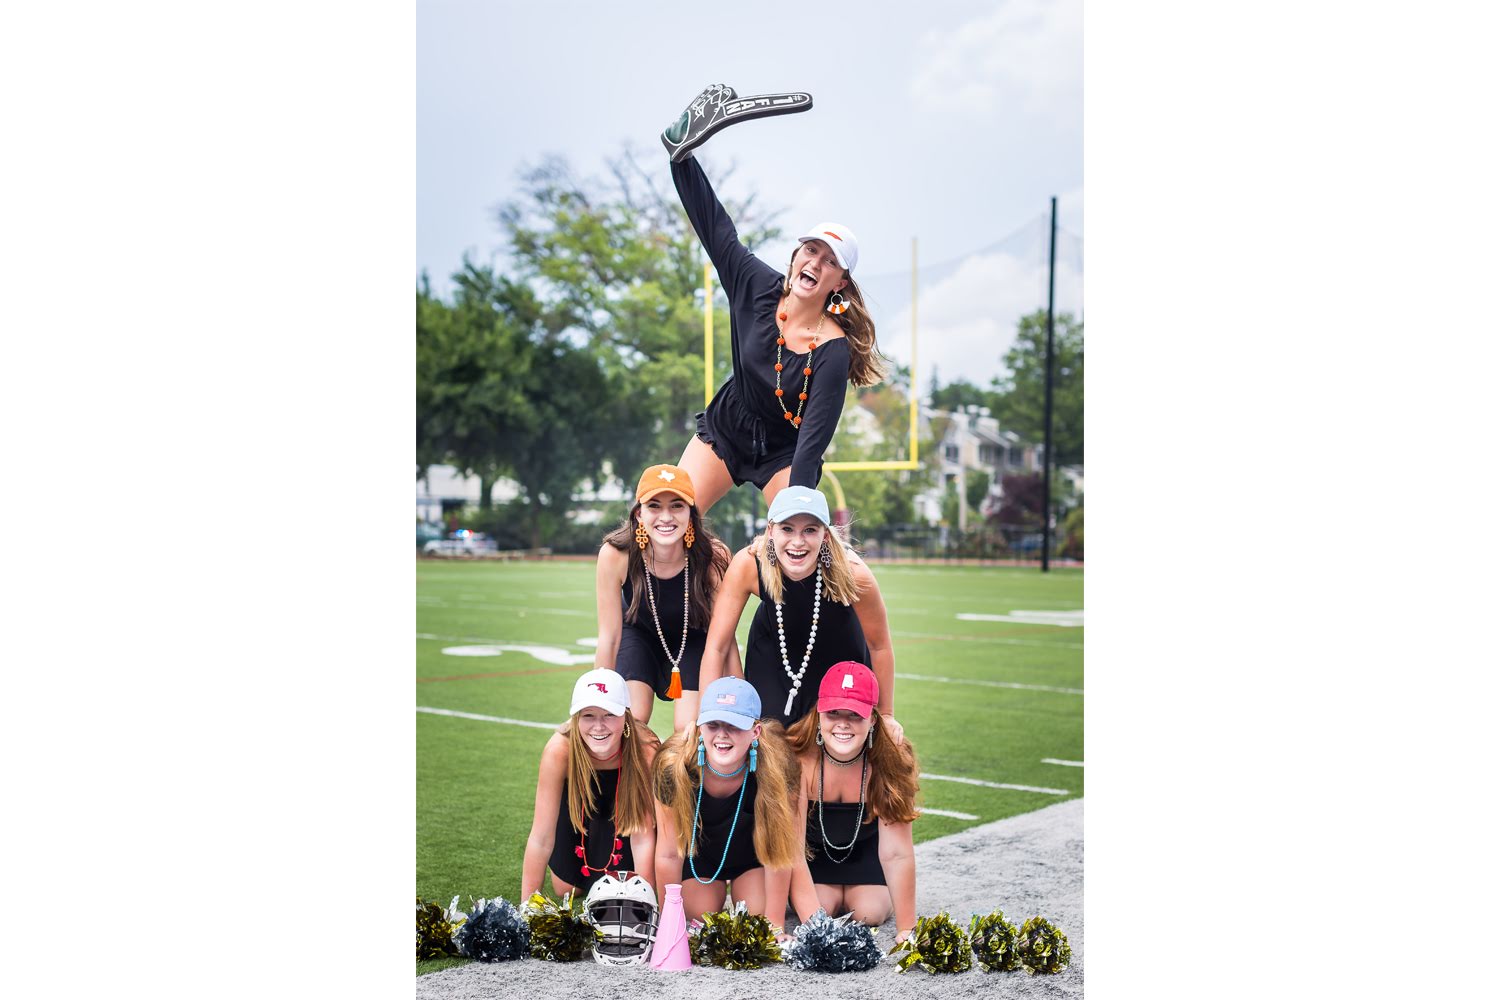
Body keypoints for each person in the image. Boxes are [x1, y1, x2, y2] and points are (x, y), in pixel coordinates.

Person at [664, 84, 889, 514]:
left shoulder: (832, 350)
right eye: (811, 250)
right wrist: (682, 161)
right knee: (669, 517)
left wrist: (794, 515)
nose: (816, 262)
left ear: (839, 282)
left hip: (785, 453)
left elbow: (812, 441)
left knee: (795, 545)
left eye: (829, 261)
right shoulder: (756, 285)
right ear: (796, 256)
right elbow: (716, 230)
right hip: (728, 427)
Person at [698, 487, 904, 742]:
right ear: (771, 530)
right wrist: (705, 715)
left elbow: (879, 645)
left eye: (810, 530)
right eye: (787, 529)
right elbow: (716, 646)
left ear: (826, 535)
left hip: (836, 657)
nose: (798, 542)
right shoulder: (750, 564)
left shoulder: (853, 573)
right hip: (775, 654)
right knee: (769, 745)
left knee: (832, 747)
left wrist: (886, 714)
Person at [652, 676, 820, 925]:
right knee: (698, 911)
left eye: (734, 726)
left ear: (755, 732)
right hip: (700, 860)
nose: (722, 735)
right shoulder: (673, 766)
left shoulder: (775, 767)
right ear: (699, 727)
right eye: (713, 724)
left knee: (756, 917)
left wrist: (775, 924)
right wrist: (669, 922)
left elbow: (779, 852)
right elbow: (668, 854)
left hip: (751, 859)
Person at [778, 661, 920, 944]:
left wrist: (907, 928)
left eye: (855, 714)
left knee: (869, 913)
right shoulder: (798, 757)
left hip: (867, 853)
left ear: (874, 720)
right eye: (833, 713)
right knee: (823, 910)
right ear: (819, 714)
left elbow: (897, 853)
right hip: (812, 857)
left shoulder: (889, 759)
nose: (842, 724)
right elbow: (792, 849)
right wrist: (816, 923)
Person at [595, 464, 736, 733]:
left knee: (689, 729)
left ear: (691, 514)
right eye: (654, 506)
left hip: (694, 639)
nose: (666, 517)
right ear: (639, 514)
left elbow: (725, 638)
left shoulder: (714, 557)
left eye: (677, 506)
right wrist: (598, 698)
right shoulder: (615, 555)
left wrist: (736, 694)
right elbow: (609, 638)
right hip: (639, 636)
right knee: (631, 722)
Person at [521, 669, 659, 901]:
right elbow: (541, 836)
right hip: (580, 814)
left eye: (609, 715)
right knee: (567, 889)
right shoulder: (559, 750)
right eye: (588, 716)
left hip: (627, 817)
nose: (598, 726)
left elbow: (643, 838)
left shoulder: (645, 750)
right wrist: (526, 905)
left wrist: (646, 902)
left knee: (623, 887)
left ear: (626, 715)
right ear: (575, 718)